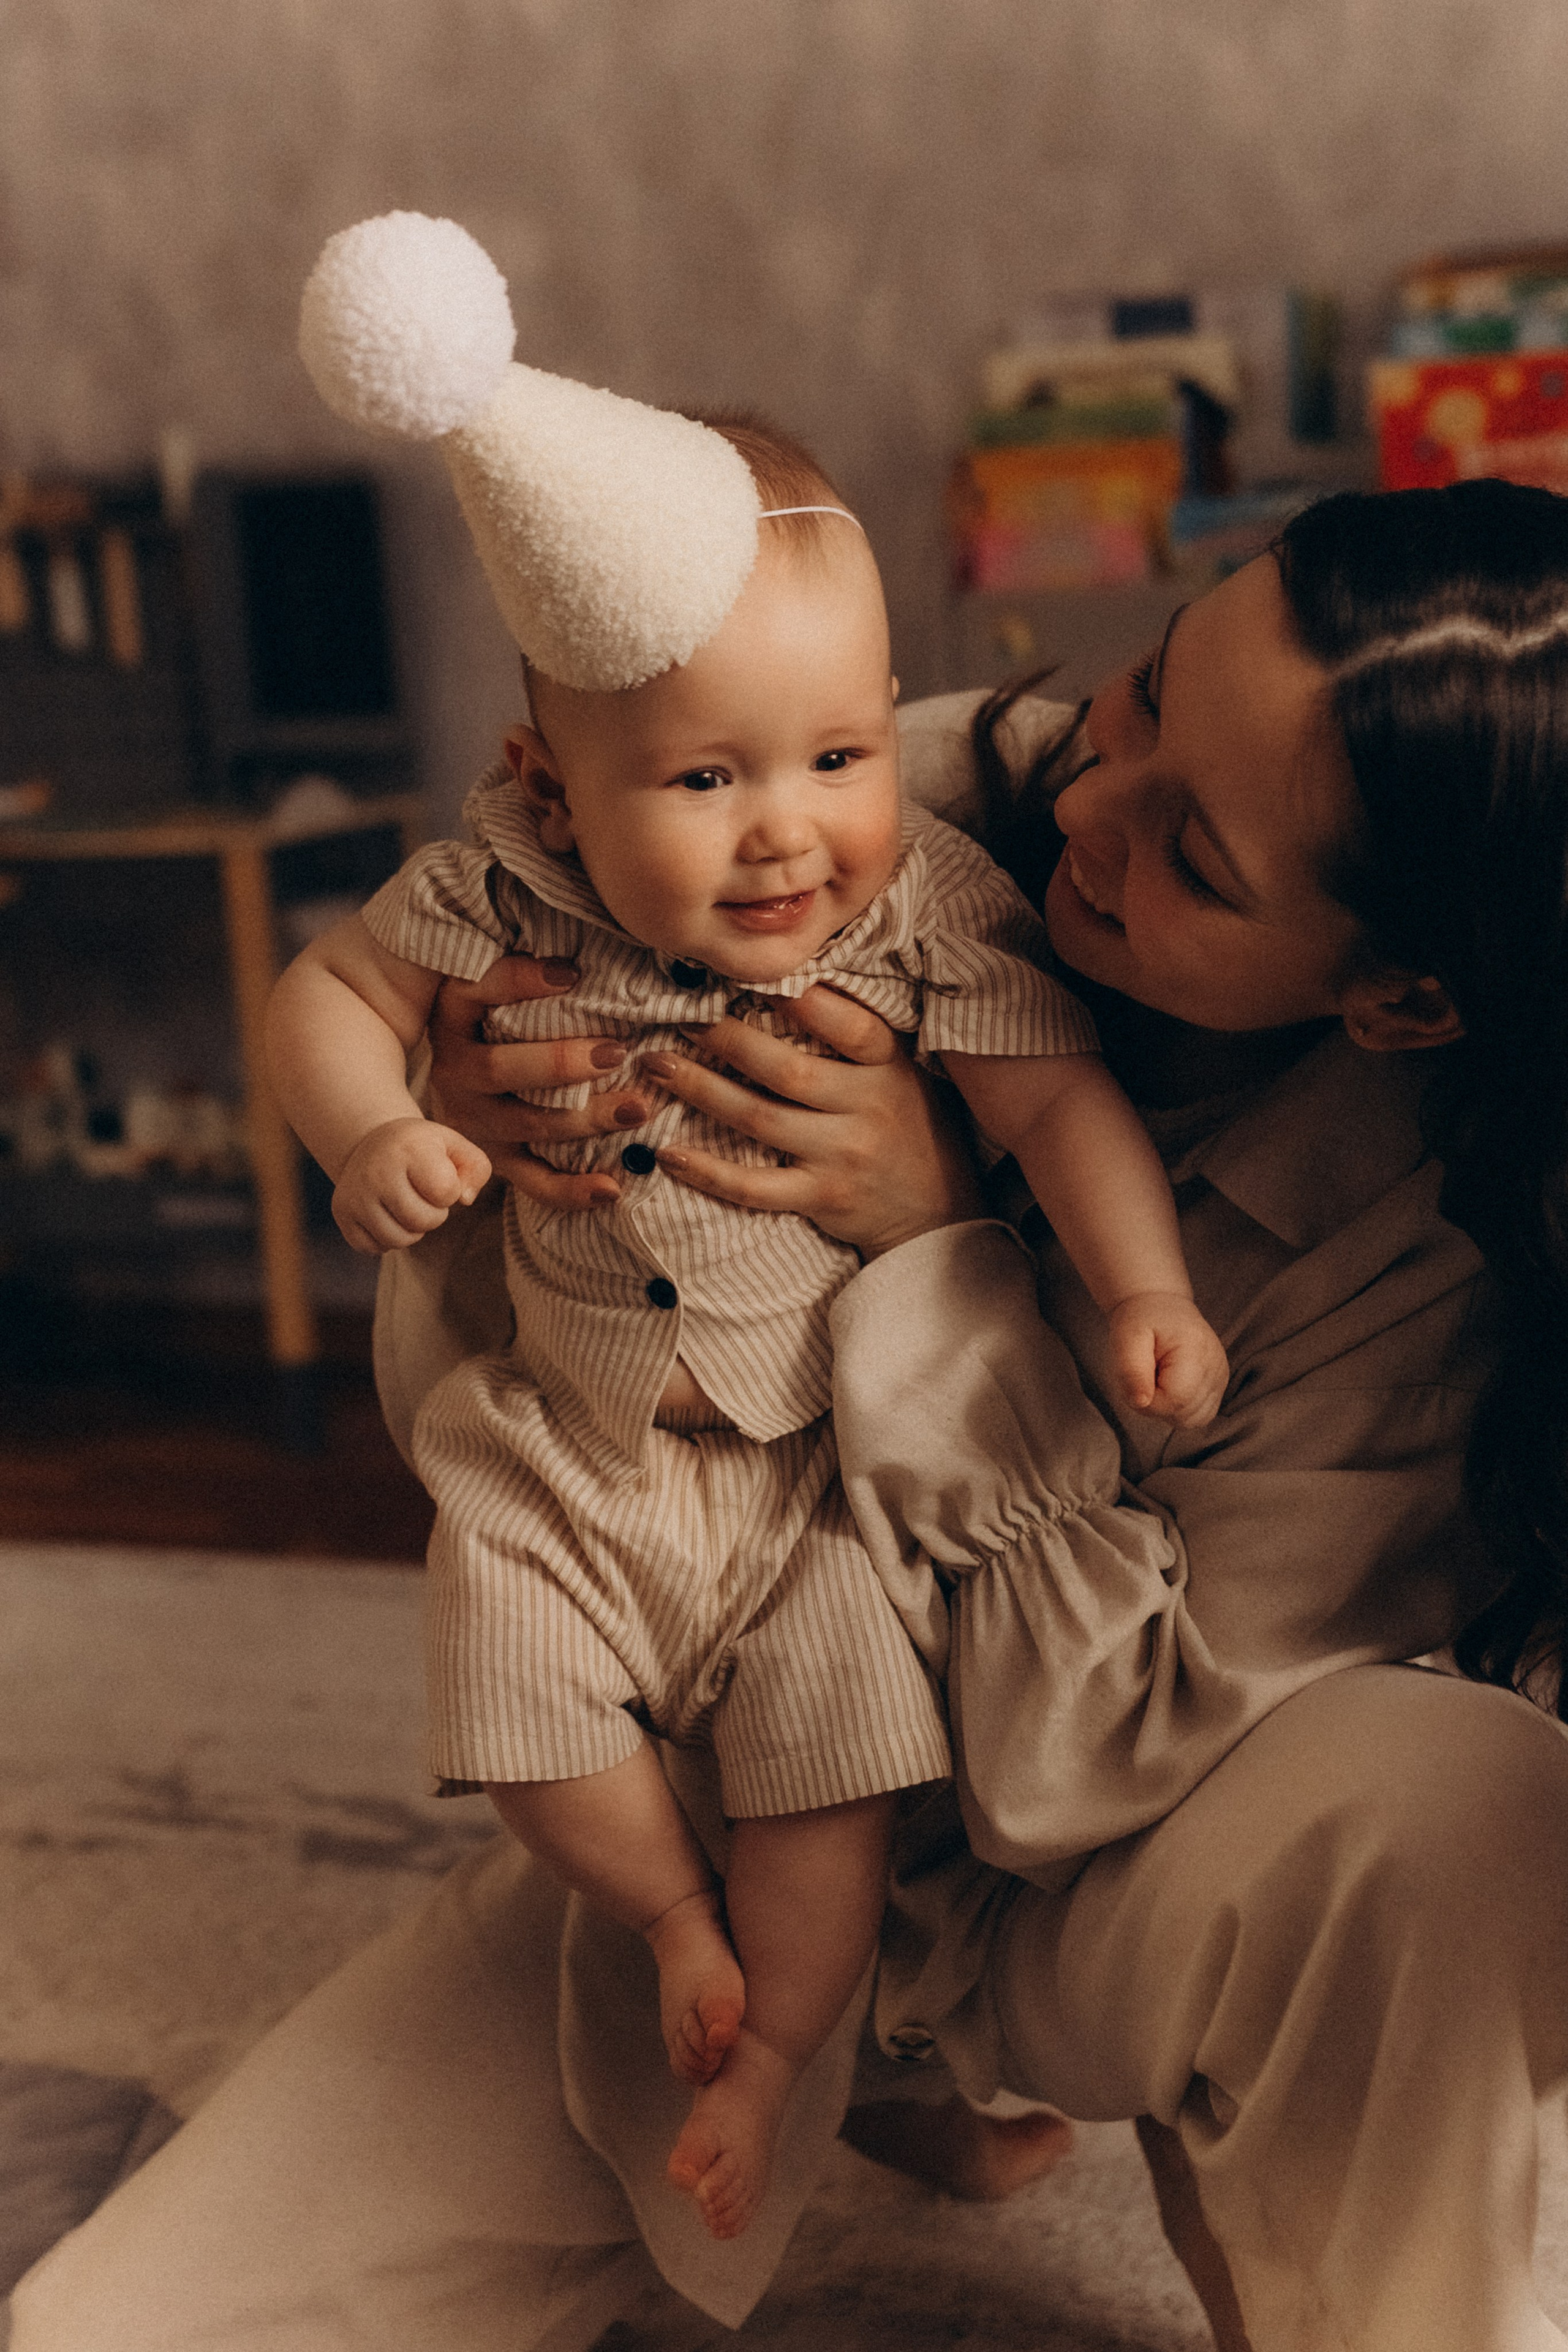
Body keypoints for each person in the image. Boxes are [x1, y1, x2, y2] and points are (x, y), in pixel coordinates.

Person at [14, 479, 1568, 2351]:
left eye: (1197, 858)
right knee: (117, 2327)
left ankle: (1048, 2097)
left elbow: (1085, 1772)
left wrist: (936, 1251)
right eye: (1146, 692)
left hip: (1095, 1887)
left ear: (1400, 1002)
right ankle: (888, 2081)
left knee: (1482, 1819)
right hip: (729, 1821)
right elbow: (490, 1403)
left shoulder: (1438, 1256)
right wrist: (465, 1114)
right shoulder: (840, 801)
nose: (1087, 805)